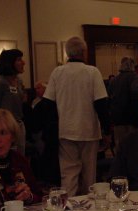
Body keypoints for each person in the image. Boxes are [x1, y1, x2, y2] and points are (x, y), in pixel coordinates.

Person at [43, 36, 110, 196]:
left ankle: (68, 209)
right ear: (84, 52)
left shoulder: (57, 72)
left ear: (67, 52)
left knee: (68, 175)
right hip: (88, 130)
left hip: (65, 130)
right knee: (89, 176)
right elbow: (101, 104)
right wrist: (107, 131)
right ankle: (90, 209)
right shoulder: (92, 72)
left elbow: (48, 103)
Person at [0, 49, 26, 155]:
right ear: (10, 63)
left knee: (19, 157)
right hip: (4, 127)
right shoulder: (1, 82)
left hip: (18, 124)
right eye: (19, 60)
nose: (23, 62)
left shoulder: (19, 81)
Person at [108, 57, 138, 150]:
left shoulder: (114, 80)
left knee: (120, 148)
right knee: (133, 148)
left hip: (117, 120)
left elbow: (110, 100)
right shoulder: (134, 78)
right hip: (131, 121)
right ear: (132, 66)